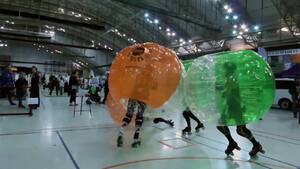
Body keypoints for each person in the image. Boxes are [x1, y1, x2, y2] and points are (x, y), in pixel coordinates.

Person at [216, 62, 263, 157]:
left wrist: (221, 89)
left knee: (240, 130)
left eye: (224, 69)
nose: (223, 71)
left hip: (235, 107)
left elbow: (233, 93)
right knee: (222, 125)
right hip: (231, 107)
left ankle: (255, 145)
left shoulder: (232, 78)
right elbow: (229, 92)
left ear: (228, 70)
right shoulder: (230, 78)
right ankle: (234, 143)